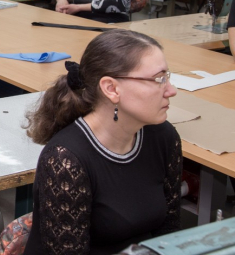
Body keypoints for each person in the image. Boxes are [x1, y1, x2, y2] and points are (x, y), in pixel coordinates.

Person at [23, 29, 181, 254]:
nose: (171, 90)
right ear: (111, 88)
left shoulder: (164, 137)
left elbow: (170, 236)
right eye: (159, 79)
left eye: (168, 77)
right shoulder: (66, 159)